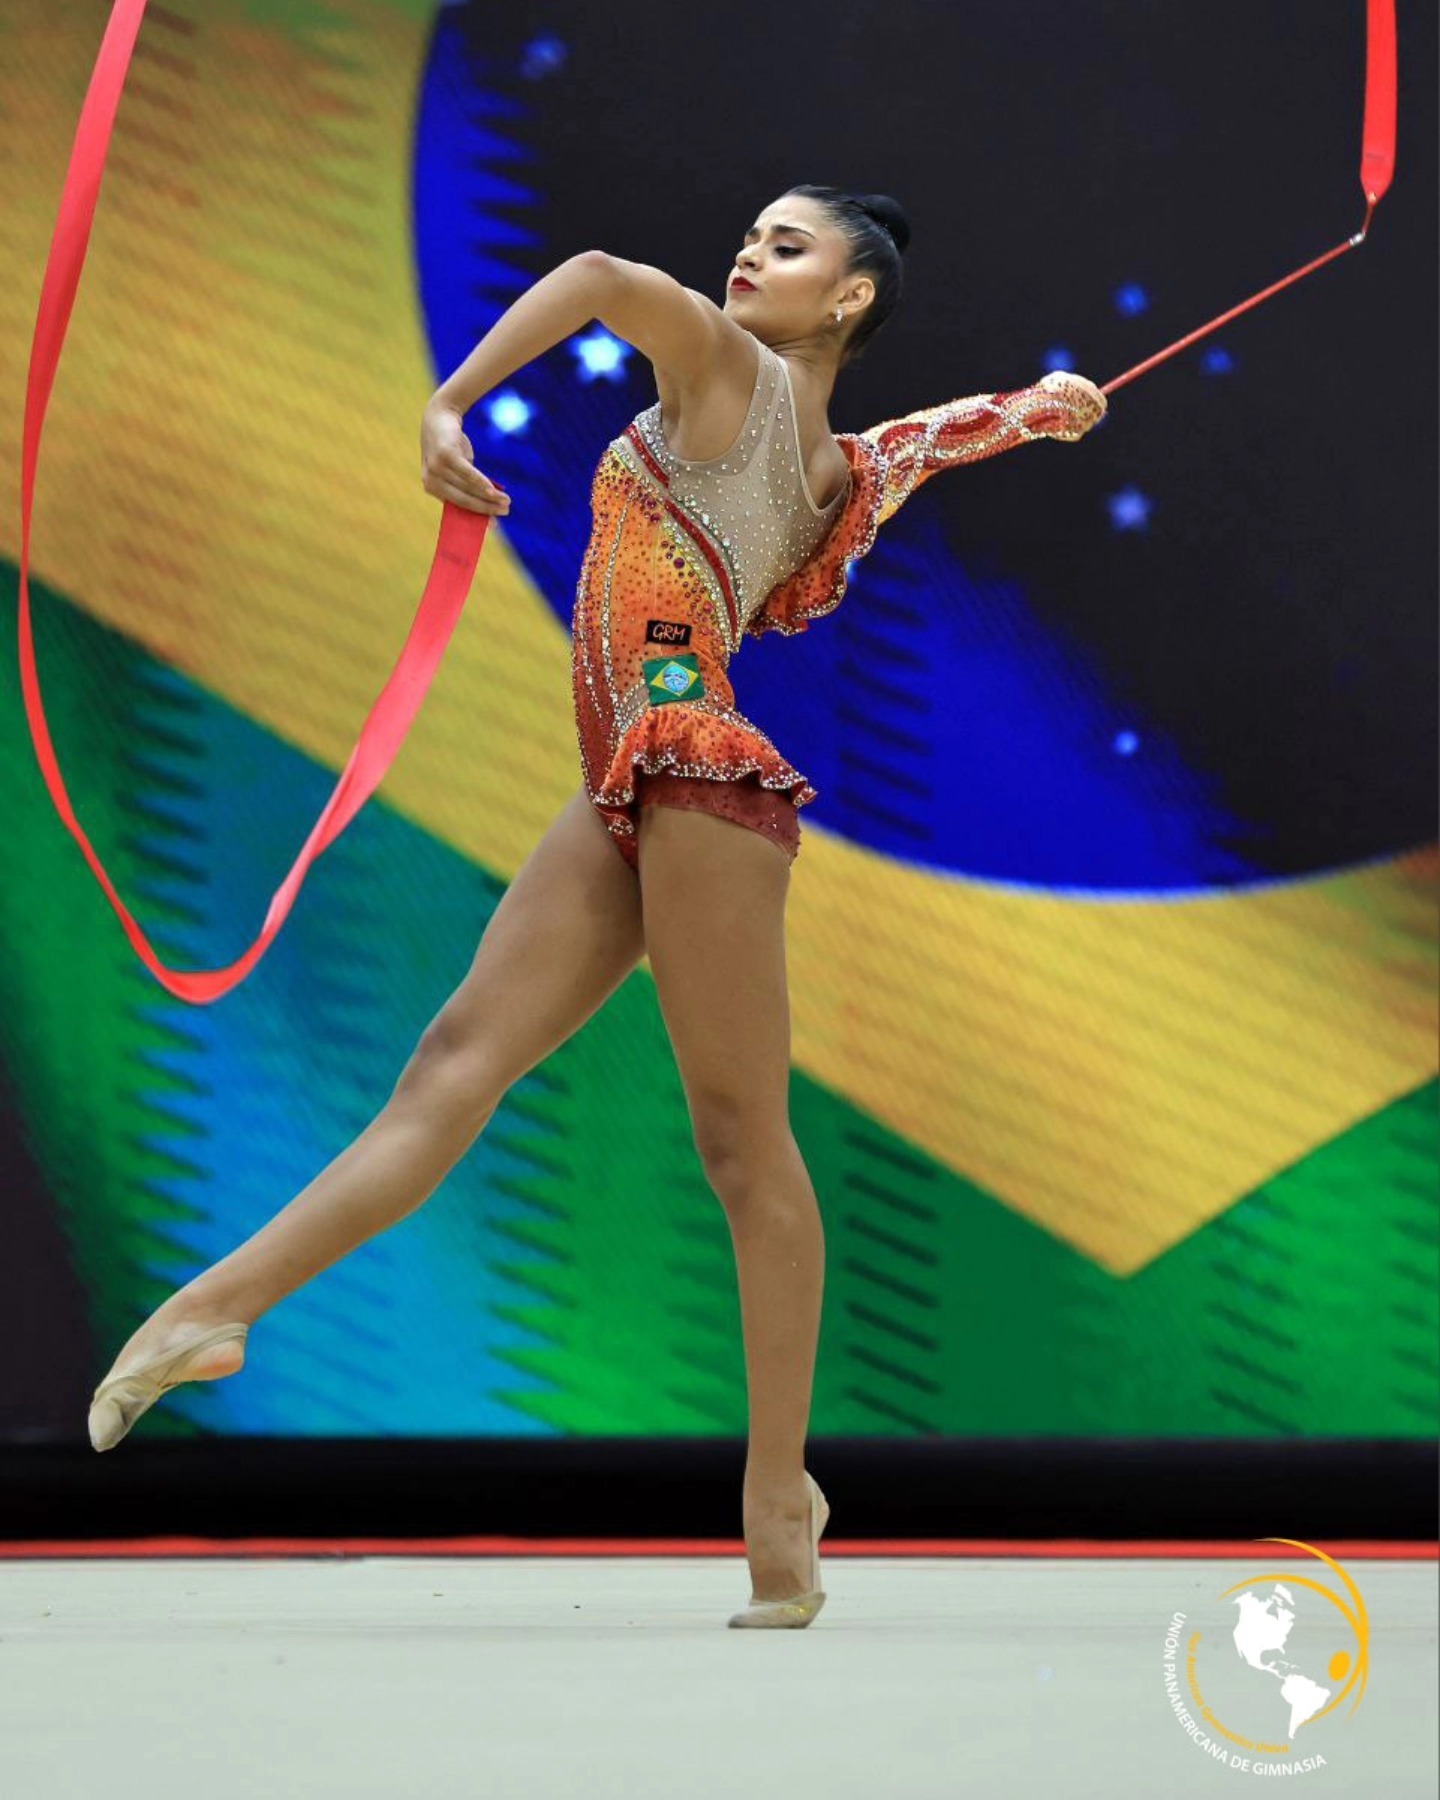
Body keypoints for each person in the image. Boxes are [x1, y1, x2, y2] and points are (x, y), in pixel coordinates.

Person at [87, 184, 1107, 1627]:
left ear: (851, 298)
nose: (748, 252)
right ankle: (216, 1308)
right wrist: (1048, 407)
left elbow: (596, 272)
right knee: (456, 1065)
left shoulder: (727, 367)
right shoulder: (847, 461)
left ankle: (778, 1498)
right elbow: (950, 432)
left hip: (694, 772)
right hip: (630, 779)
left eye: (789, 244)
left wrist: (449, 406)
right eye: (753, 233)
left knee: (743, 1145)